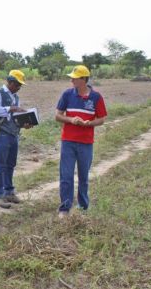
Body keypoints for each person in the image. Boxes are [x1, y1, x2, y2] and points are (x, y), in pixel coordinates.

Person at [55, 65, 107, 218]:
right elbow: (58, 116)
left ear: (83, 80)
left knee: (83, 176)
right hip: (68, 142)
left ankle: (83, 206)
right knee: (66, 176)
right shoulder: (67, 94)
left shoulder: (96, 97)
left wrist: (89, 123)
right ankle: (65, 208)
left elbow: (102, 119)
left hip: (86, 143)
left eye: (75, 78)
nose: (71, 80)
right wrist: (71, 119)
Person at [0, 70, 31, 209]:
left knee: (10, 164)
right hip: (2, 134)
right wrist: (11, 108)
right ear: (11, 82)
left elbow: (14, 117)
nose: (19, 87)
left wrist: (24, 123)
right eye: (18, 84)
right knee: (0, 165)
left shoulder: (16, 96)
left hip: (14, 134)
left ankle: (9, 192)